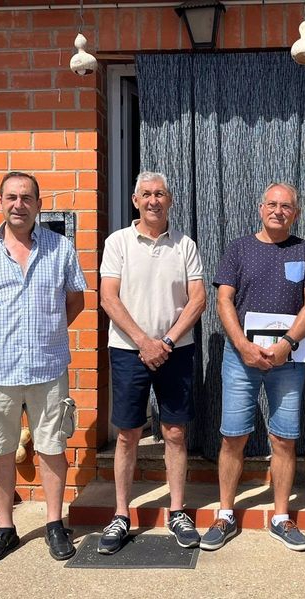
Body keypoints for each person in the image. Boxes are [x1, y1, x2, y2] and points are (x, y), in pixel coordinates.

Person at [0, 171, 87, 566]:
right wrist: (1, 335)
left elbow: (76, 300)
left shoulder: (61, 248)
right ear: (0, 203)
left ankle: (53, 524)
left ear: (38, 204)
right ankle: (5, 528)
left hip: (48, 367)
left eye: (26, 198)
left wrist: (45, 334)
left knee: (52, 447)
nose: (19, 204)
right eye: (11, 197)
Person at [200, 182, 305, 552]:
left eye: (286, 206)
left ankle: (280, 516)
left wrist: (287, 344)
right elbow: (223, 298)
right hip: (241, 357)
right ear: (260, 208)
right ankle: (225, 514)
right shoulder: (239, 248)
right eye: (272, 204)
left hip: (288, 359)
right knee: (233, 435)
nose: (278, 211)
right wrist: (241, 345)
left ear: (296, 213)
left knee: (284, 438)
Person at [98, 171, 206, 554]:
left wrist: (167, 341)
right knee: (128, 434)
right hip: (129, 351)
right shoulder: (118, 243)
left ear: (170, 200)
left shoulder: (185, 245)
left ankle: (177, 511)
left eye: (160, 193)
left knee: (175, 433)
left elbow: (197, 299)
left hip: (176, 350)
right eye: (146, 194)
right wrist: (144, 342)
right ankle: (121, 515)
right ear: (135, 200)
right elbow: (109, 298)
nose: (153, 200)